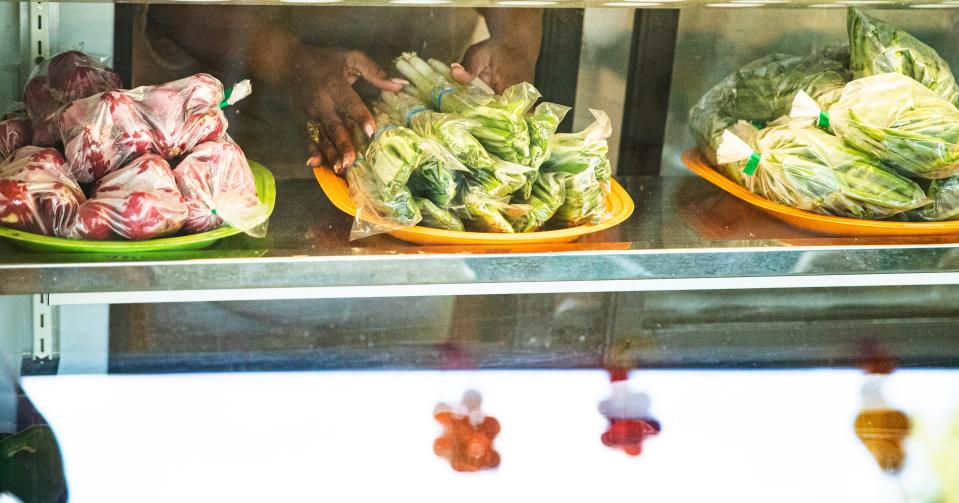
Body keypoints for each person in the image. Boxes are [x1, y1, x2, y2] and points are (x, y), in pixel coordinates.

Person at [138, 6, 543, 175]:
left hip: (430, 174)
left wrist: (514, 43)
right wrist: (285, 59)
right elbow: (170, 7)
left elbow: (522, 13)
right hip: (253, 167)